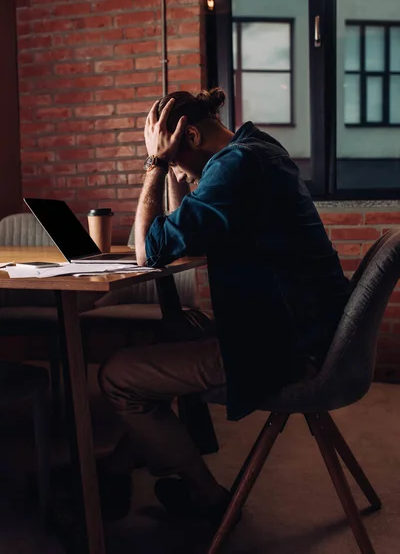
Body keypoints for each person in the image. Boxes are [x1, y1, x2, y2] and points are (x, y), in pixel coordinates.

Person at [98, 87, 351, 521]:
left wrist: (155, 165)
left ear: (191, 137)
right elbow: (185, 240)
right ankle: (118, 468)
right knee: (177, 329)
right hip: (309, 334)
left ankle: (208, 498)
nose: (175, 166)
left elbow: (149, 252)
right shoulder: (257, 148)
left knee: (118, 377)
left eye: (176, 155)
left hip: (284, 352)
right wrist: (180, 175)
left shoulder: (236, 166)